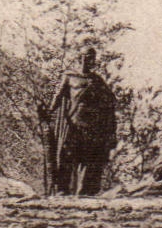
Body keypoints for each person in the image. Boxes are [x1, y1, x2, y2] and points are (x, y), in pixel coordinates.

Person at [44, 47, 118, 196]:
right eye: (85, 57)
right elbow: (58, 97)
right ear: (80, 58)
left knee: (87, 157)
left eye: (91, 58)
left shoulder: (97, 80)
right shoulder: (69, 76)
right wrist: (49, 112)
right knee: (67, 156)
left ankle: (85, 192)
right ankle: (62, 190)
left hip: (91, 125)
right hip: (73, 123)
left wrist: (108, 126)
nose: (88, 60)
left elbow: (110, 101)